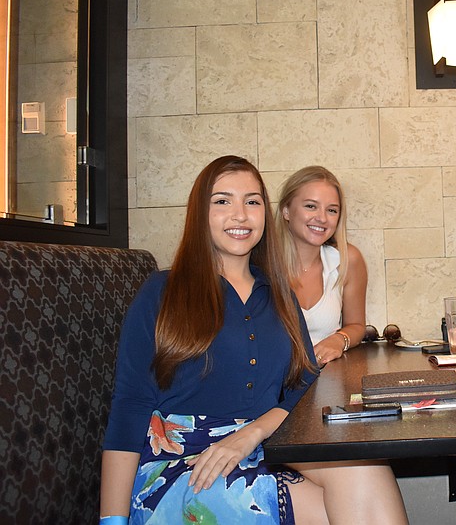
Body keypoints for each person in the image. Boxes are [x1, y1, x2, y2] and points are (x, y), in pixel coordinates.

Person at [100, 156, 408, 524]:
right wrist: (112, 520)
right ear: (200, 212)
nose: (240, 215)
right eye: (222, 201)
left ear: (265, 212)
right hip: (185, 463)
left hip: (263, 445)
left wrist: (254, 431)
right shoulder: (162, 291)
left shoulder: (277, 293)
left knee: (366, 468)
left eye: (252, 201)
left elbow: (303, 376)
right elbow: (129, 406)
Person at [278, 166, 367, 367]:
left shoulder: (347, 260)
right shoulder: (261, 265)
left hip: (327, 385)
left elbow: (356, 325)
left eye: (332, 210)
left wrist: (339, 339)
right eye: (311, 206)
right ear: (286, 211)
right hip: (272, 390)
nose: (322, 218)